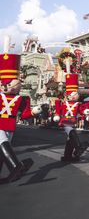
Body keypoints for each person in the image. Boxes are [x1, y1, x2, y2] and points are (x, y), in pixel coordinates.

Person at [0, 46, 35, 184]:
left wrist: (34, 111)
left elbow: (25, 115)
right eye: (3, 83)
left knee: (2, 150)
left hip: (10, 125)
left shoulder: (22, 99)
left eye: (8, 83)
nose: (5, 86)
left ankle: (13, 171)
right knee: (2, 143)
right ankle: (16, 165)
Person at [54, 65, 89, 162]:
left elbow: (81, 110)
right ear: (67, 95)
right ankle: (78, 146)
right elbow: (59, 109)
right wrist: (57, 114)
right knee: (71, 131)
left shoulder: (78, 103)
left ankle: (67, 155)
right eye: (72, 94)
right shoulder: (64, 102)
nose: (74, 96)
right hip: (65, 120)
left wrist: (85, 112)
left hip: (73, 120)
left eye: (75, 94)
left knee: (70, 139)